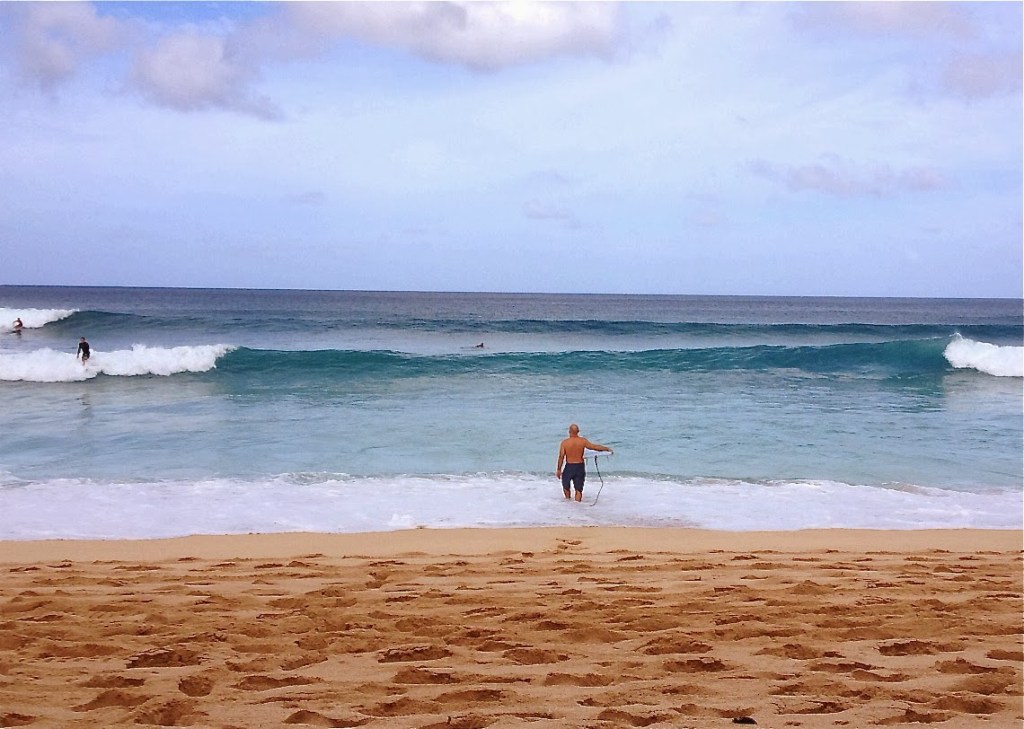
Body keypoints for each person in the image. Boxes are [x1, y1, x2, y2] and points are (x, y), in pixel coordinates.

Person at [556, 423, 612, 502]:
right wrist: (606, 448)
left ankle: (568, 503)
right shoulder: (582, 441)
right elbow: (594, 447)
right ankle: (578, 505)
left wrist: (559, 469)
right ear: (578, 431)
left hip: (569, 466)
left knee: (566, 485)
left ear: (569, 431)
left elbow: (561, 457)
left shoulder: (565, 443)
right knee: (578, 489)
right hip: (580, 466)